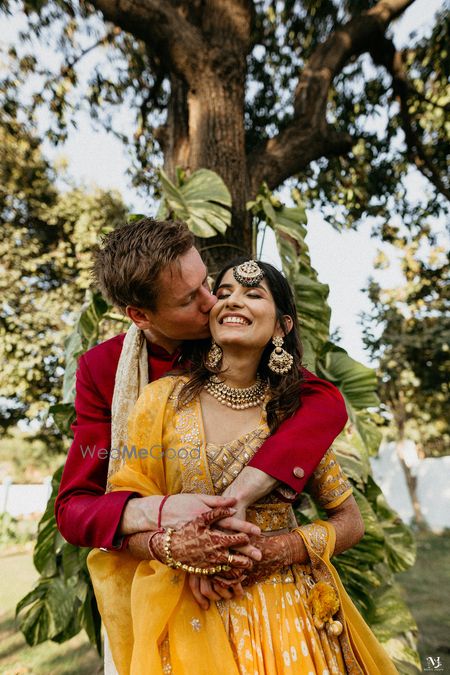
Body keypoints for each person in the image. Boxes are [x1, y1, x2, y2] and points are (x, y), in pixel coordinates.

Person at [88, 259, 397, 675]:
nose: (234, 301)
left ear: (281, 327)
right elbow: (128, 517)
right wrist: (180, 551)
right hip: (191, 616)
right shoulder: (161, 401)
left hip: (289, 617)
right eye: (226, 291)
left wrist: (280, 550)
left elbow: (350, 521)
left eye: (254, 294)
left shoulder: (296, 413)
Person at [55, 218, 348, 573]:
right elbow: (73, 508)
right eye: (189, 299)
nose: (213, 302)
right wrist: (161, 517)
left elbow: (325, 403)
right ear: (139, 315)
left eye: (206, 283)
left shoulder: (233, 338)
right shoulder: (103, 369)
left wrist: (239, 495)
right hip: (160, 585)